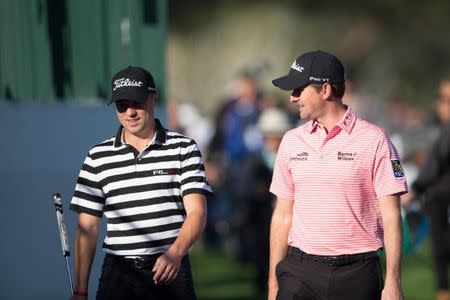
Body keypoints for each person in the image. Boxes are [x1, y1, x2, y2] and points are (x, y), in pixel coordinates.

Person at [267, 50, 408, 300]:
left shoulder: (375, 140)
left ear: (325, 90)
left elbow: (391, 215)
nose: (292, 98)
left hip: (357, 273)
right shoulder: (291, 142)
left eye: (299, 90)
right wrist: (272, 283)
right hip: (299, 271)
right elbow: (282, 215)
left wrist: (393, 282)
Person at [69, 66, 212, 300]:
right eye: (121, 105)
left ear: (154, 100)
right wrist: (80, 290)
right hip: (118, 275)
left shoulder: (184, 148)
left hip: (169, 270)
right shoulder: (97, 156)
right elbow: (88, 227)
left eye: (136, 103)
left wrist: (175, 253)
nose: (130, 112)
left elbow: (197, 212)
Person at [407, 78, 450, 300]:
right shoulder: (437, 128)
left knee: (440, 246)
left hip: (440, 195)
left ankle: (443, 293)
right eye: (442, 99)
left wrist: (415, 189)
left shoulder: (444, 132)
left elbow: (433, 165)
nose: (444, 105)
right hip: (437, 196)